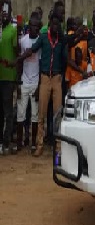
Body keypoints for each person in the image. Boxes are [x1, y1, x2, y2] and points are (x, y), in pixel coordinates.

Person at [19, 15, 67, 157]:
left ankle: (58, 147)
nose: (55, 27)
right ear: (49, 25)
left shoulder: (61, 40)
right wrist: (20, 58)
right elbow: (32, 50)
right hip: (45, 78)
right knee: (41, 114)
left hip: (57, 79)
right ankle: (39, 145)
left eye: (57, 25)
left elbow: (66, 57)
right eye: (53, 25)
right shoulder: (44, 38)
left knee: (58, 114)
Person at [16, 15, 41, 153]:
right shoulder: (23, 41)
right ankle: (19, 143)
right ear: (29, 26)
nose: (35, 28)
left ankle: (33, 143)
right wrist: (18, 84)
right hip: (24, 81)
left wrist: (39, 87)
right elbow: (19, 64)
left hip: (36, 82)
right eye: (33, 25)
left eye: (37, 26)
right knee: (21, 113)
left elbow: (42, 63)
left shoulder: (40, 41)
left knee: (35, 115)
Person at [0, 0, 18, 155]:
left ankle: (6, 142)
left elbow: (17, 52)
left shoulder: (13, 30)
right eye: (2, 11)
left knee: (8, 112)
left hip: (8, 77)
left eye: (7, 11)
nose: (4, 14)